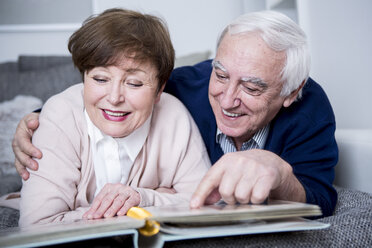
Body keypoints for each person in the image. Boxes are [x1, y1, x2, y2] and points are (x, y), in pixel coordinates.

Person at [11, 11, 338, 217]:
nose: (227, 99)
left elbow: (320, 197)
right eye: (220, 75)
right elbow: (113, 97)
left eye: (252, 88)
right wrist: (39, 118)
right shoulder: (186, 86)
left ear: (290, 93)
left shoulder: (310, 110)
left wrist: (279, 174)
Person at [3, 8, 210, 227]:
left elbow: (207, 206)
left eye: (134, 83)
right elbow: (37, 226)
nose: (114, 98)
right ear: (84, 78)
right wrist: (147, 206)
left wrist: (144, 197)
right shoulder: (60, 115)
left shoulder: (175, 116)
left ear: (159, 89)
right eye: (100, 79)